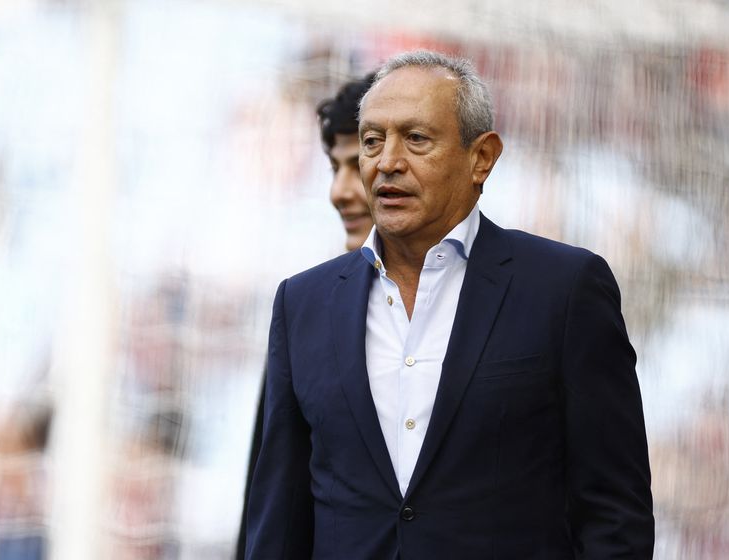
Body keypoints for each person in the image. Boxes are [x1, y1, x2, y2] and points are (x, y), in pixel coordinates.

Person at [245, 50, 654, 559]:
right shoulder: (301, 304)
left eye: (416, 139)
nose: (387, 162)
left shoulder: (564, 289)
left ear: (481, 157)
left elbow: (615, 513)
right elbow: (277, 520)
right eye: (373, 140)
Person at [235, 73, 375, 560]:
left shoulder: (506, 304)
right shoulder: (304, 315)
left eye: (359, 166)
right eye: (335, 168)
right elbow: (270, 513)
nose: (339, 192)